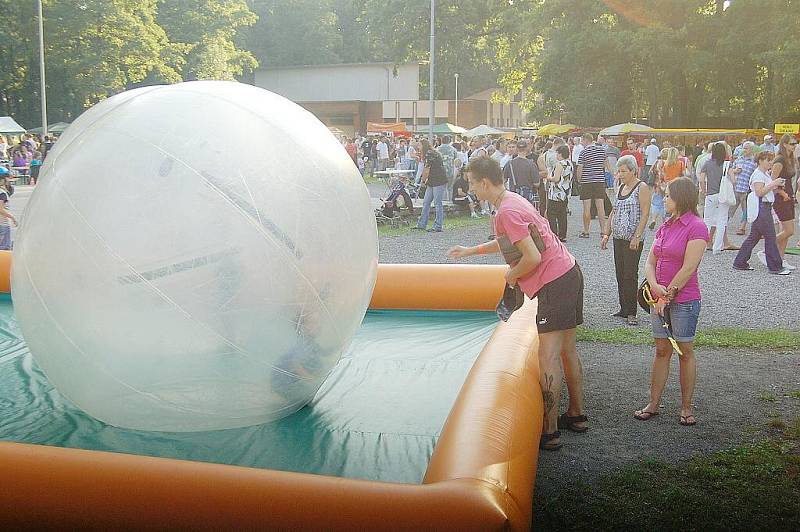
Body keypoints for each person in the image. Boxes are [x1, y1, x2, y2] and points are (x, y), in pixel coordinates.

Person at [448, 157, 586, 451]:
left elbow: (532, 257)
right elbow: (513, 241)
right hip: (570, 272)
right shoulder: (513, 200)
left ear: (484, 183)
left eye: (472, 183)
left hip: (554, 283)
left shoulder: (505, 212)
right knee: (567, 350)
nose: (471, 189)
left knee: (548, 357)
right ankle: (576, 414)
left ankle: (549, 432)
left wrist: (511, 275)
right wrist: (471, 251)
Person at [635, 177, 708, 426]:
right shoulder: (666, 225)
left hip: (684, 300)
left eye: (667, 195)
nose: (664, 198)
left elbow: (689, 267)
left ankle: (686, 408)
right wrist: (655, 287)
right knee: (662, 350)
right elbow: (649, 261)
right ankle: (653, 403)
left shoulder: (697, 227)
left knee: (685, 352)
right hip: (659, 299)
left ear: (680, 198)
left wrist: (666, 296)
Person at [601, 155, 652, 326]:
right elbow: (614, 211)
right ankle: (623, 308)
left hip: (632, 238)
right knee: (620, 273)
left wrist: (637, 236)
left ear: (633, 171)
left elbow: (645, 213)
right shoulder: (620, 186)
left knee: (630, 274)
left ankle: (632, 312)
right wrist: (606, 233)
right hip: (618, 237)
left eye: (623, 171)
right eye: (619, 171)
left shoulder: (641, 187)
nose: (620, 174)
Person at [733, 151, 790, 274]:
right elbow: (759, 192)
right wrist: (774, 184)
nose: (770, 162)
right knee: (770, 237)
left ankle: (740, 261)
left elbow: (764, 191)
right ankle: (775, 266)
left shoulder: (764, 174)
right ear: (760, 161)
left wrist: (775, 187)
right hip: (762, 207)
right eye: (768, 160)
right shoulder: (758, 175)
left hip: (764, 207)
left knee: (754, 237)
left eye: (771, 160)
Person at [699, 142, 737, 253]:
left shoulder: (707, 163)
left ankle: (703, 245)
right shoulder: (726, 164)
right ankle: (717, 247)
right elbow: (734, 180)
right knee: (722, 221)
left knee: (707, 221)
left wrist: (704, 189)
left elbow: (701, 179)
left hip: (711, 194)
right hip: (723, 196)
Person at [771, 134, 798, 269]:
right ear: (785, 144)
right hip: (780, 197)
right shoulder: (780, 160)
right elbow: (772, 181)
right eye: (792, 144)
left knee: (786, 230)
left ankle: (780, 259)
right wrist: (782, 193)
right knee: (789, 230)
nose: (795, 146)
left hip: (788, 196)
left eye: (795, 143)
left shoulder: (790, 159)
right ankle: (769, 247)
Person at [577, 133, 611, 237]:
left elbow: (580, 168)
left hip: (586, 181)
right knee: (600, 207)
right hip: (599, 181)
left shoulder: (583, 152)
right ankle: (603, 231)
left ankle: (586, 231)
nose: (581, 143)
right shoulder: (602, 150)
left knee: (586, 207)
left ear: (585, 140)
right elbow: (606, 165)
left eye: (582, 141)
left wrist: (579, 180)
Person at [414, 139, 448, 232]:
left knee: (438, 203)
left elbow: (426, 169)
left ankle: (438, 226)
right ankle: (422, 224)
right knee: (426, 202)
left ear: (423, 146)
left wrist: (423, 181)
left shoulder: (429, 154)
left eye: (419, 145)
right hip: (432, 180)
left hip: (439, 180)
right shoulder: (429, 153)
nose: (418, 147)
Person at [729, 141, 757, 235]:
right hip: (736, 188)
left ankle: (742, 227)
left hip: (746, 189)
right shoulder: (738, 160)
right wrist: (734, 170)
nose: (744, 150)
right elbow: (730, 171)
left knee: (745, 209)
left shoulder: (754, 162)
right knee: (731, 208)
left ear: (751, 150)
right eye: (743, 148)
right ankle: (724, 224)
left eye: (746, 148)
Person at [503, 139, 540, 210]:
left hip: (514, 196)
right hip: (528, 197)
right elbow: (537, 183)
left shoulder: (510, 163)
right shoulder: (531, 164)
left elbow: (503, 180)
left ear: (517, 149)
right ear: (526, 149)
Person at [546, 145, 572, 242]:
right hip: (565, 192)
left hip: (556, 193)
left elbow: (556, 178)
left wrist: (549, 177)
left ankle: (554, 233)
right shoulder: (569, 163)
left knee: (551, 213)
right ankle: (562, 234)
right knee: (562, 214)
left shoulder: (560, 164)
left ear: (560, 154)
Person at [0, 176, 17, 250]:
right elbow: (1, 209)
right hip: (3, 224)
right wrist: (12, 218)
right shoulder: (2, 193)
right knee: (4, 248)